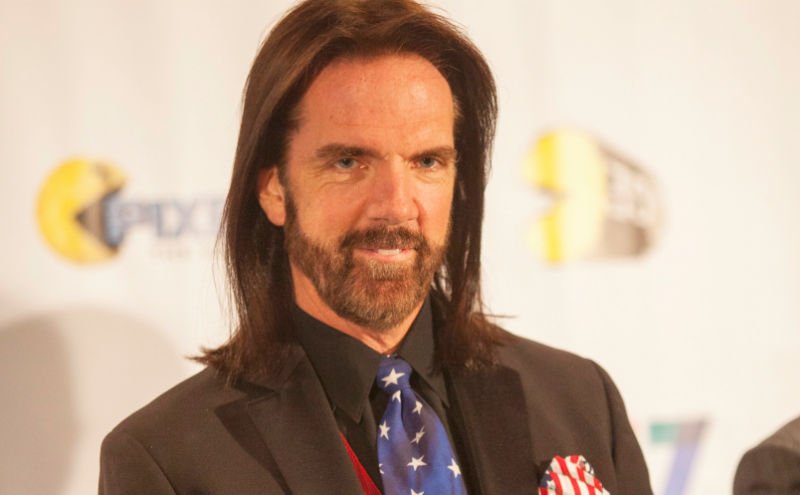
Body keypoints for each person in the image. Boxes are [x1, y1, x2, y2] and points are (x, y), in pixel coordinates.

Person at [99, 1, 652, 493]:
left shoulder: (580, 399)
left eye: (427, 161)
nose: (396, 205)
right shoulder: (167, 462)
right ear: (274, 190)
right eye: (349, 162)